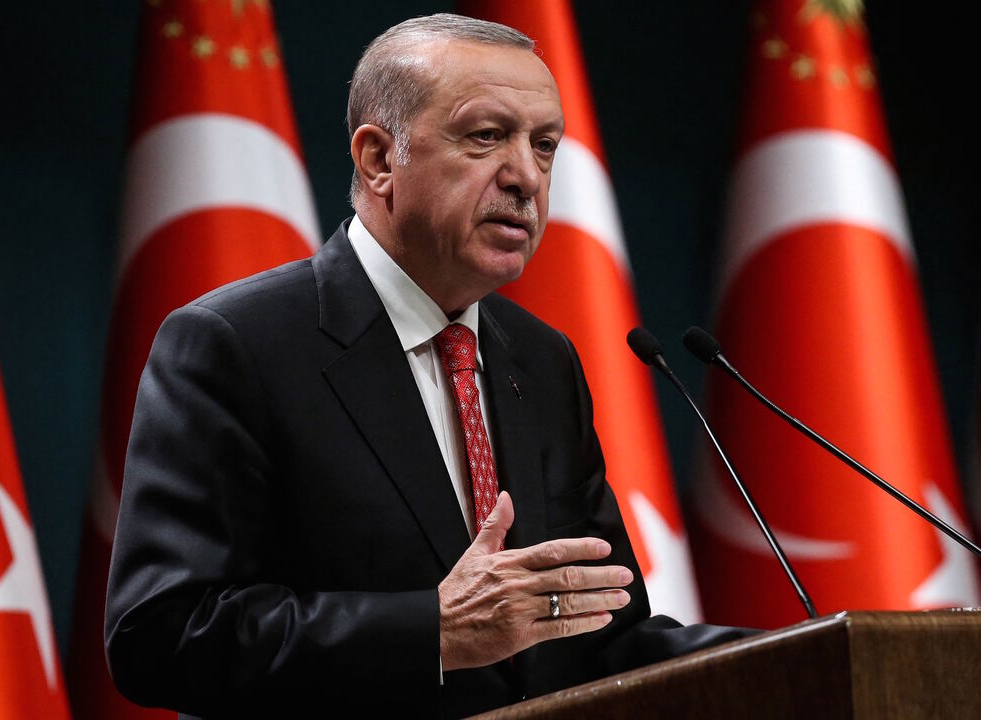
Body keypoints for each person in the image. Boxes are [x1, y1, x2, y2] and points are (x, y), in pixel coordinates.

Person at [105, 14, 749, 719]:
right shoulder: (235, 345)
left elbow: (599, 636)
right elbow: (161, 634)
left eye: (544, 145)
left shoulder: (540, 360)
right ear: (380, 160)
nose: (526, 177)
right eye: (486, 136)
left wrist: (816, 654)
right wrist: (429, 633)